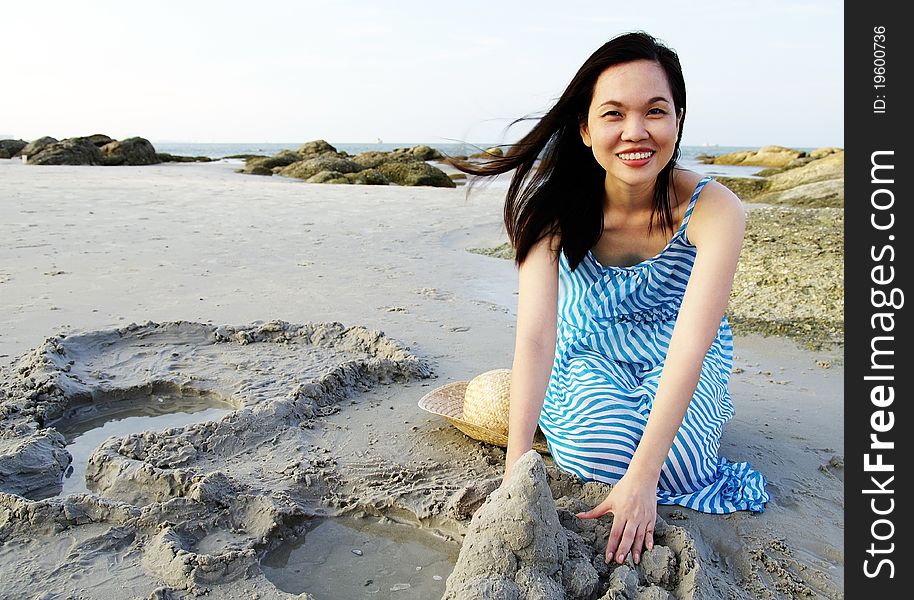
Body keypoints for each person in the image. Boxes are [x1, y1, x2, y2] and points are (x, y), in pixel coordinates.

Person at [454, 31, 769, 567]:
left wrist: (643, 482)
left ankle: (685, 424)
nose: (636, 132)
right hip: (588, 350)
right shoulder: (550, 208)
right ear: (585, 128)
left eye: (655, 111)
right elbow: (535, 336)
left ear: (678, 120)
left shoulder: (716, 209)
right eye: (614, 114)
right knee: (593, 451)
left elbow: (692, 345)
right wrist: (516, 471)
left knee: (682, 466)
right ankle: (569, 418)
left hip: (678, 356)